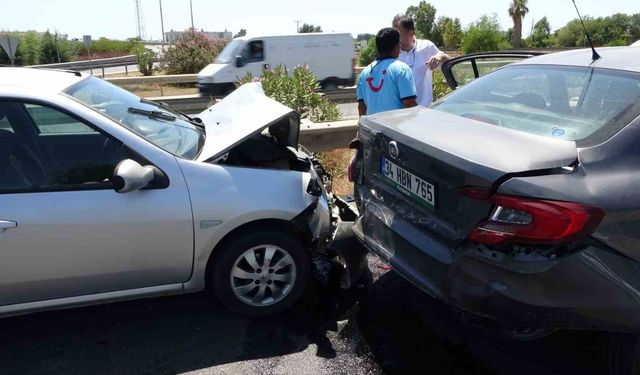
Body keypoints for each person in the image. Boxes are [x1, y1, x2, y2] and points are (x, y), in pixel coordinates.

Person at [356, 27, 417, 116]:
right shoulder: (402, 69)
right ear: (396, 47)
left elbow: (361, 108)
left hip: (373, 128)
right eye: (399, 44)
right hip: (395, 128)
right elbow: (409, 104)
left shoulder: (363, 74)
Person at [392, 14, 450, 106]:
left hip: (424, 111)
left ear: (410, 33)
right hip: (400, 113)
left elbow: (449, 65)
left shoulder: (426, 46)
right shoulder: (392, 53)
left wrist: (441, 56)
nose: (394, 39)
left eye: (398, 35)